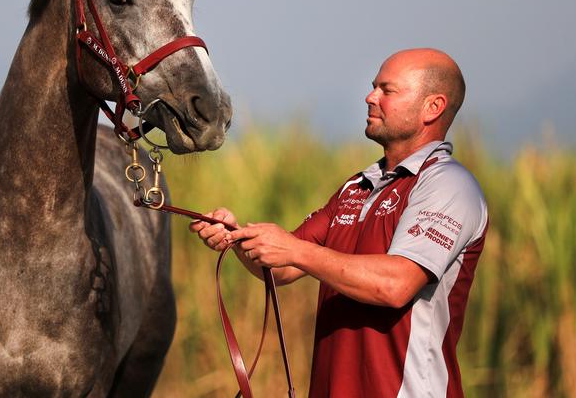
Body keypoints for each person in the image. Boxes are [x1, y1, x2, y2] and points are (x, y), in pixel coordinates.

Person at [190, 48, 488, 398]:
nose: (370, 96)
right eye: (373, 86)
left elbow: (395, 285)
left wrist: (294, 250)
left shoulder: (448, 184)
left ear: (432, 107)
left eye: (387, 90)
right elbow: (283, 268)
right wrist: (237, 239)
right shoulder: (355, 187)